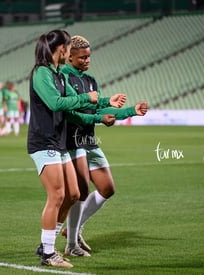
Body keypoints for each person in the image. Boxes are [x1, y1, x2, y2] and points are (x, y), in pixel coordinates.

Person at [28, 29, 119, 268]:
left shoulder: (58, 74)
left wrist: (103, 101)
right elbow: (56, 103)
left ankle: (47, 243)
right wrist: (86, 99)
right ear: (62, 49)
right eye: (68, 48)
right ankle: (48, 253)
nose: (69, 52)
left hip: (59, 141)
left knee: (75, 194)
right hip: (43, 140)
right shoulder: (42, 73)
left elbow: (75, 101)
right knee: (57, 195)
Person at [61, 35, 148, 256]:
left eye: (89, 57)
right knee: (81, 192)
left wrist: (131, 111)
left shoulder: (90, 81)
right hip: (71, 141)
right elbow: (72, 113)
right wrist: (100, 118)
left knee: (107, 188)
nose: (87, 61)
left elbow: (97, 111)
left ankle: (75, 228)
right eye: (82, 57)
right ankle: (71, 244)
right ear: (69, 57)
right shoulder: (63, 78)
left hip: (89, 140)